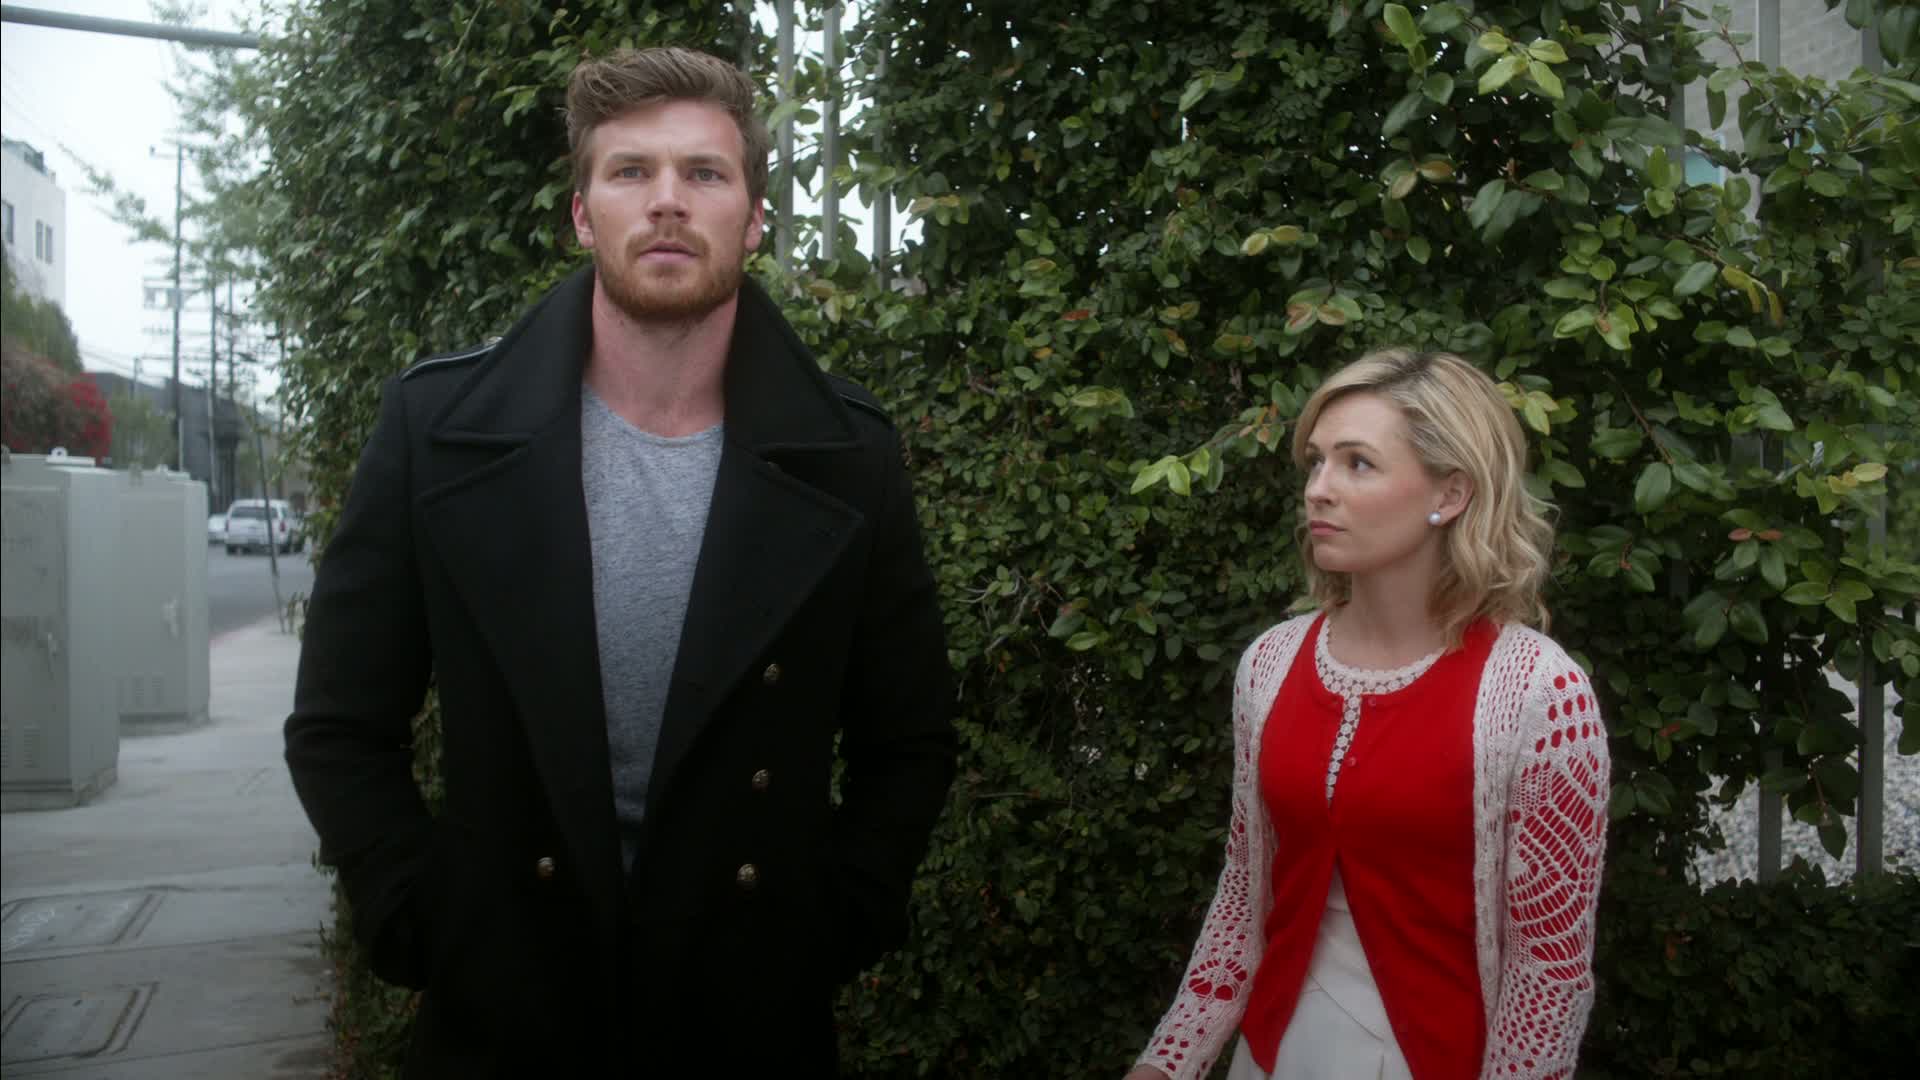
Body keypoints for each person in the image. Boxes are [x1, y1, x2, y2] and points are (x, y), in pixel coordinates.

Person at [284, 46, 956, 1077]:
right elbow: (339, 725)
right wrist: (422, 916)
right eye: (631, 170)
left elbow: (907, 739)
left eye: (704, 172)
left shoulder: (847, 457)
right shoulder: (440, 433)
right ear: (582, 215)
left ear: (755, 218)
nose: (667, 200)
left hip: (748, 1020)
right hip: (503, 1018)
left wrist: (831, 923)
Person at [1127, 348, 1610, 1080]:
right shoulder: (1270, 665)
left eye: (1358, 463)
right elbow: (1244, 898)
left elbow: (1548, 971)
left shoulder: (1539, 694)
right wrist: (1167, 1063)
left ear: (1451, 492)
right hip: (1273, 1056)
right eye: (1316, 462)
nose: (1319, 490)